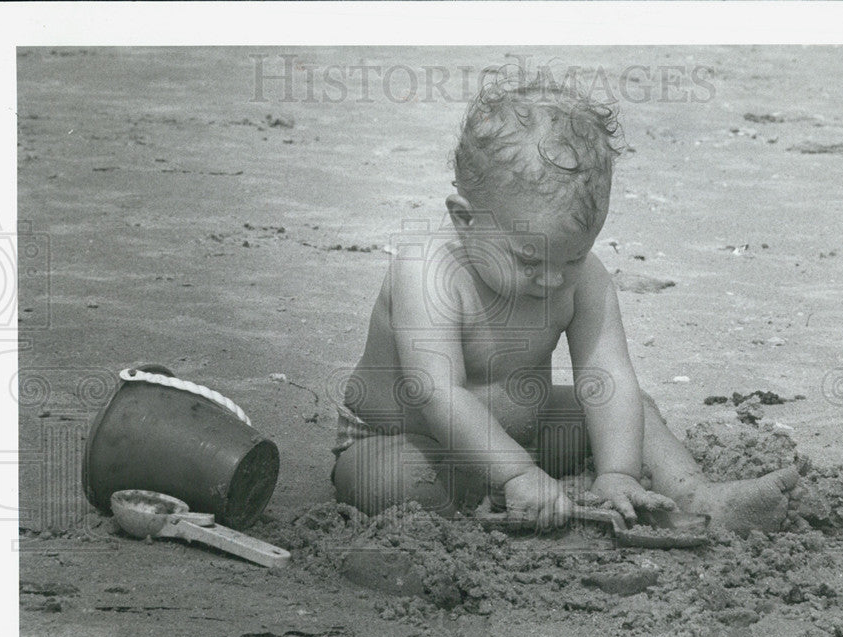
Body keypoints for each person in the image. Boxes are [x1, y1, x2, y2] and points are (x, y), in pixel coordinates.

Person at [332, 76, 799, 532]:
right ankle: (498, 498)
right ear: (465, 219)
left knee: (634, 409)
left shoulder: (586, 280)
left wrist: (618, 470)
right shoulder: (428, 272)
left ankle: (695, 495)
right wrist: (515, 473)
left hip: (526, 432)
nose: (553, 279)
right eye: (529, 259)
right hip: (404, 439)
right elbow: (437, 394)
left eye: (573, 256)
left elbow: (608, 378)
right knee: (395, 482)